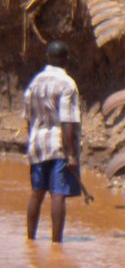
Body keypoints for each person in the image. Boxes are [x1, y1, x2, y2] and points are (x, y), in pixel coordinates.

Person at [24, 41, 82, 243]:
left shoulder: (35, 82)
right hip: (59, 144)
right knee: (58, 194)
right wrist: (71, 154)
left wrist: (31, 142)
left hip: (37, 142)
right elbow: (67, 121)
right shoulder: (67, 84)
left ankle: (30, 240)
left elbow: (28, 118)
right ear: (66, 60)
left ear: (47, 58)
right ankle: (56, 244)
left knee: (37, 192)